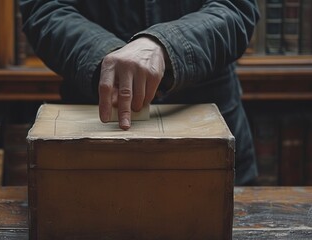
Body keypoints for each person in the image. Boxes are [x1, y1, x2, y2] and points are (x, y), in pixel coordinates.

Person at [20, 0, 259, 185]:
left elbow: (236, 8)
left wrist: (164, 45)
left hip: (210, 139)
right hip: (90, 142)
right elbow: (45, 9)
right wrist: (110, 57)